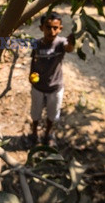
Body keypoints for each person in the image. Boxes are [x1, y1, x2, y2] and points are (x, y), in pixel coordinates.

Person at [29, 11, 75, 147]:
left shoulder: (61, 43)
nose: (52, 31)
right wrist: (31, 74)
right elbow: (34, 60)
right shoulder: (36, 44)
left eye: (55, 28)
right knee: (35, 114)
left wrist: (73, 39)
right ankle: (34, 133)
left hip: (55, 87)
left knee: (52, 115)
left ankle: (48, 134)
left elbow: (69, 48)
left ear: (60, 29)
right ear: (41, 28)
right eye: (48, 27)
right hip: (38, 87)